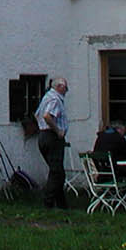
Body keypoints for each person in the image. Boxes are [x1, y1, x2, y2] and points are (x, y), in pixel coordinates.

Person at [34, 78, 70, 208]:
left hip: (43, 136)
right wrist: (58, 130)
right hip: (52, 137)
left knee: (58, 172)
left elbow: (37, 114)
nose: (66, 91)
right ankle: (48, 202)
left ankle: (61, 204)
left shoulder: (46, 97)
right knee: (56, 172)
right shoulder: (55, 99)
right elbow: (47, 116)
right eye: (65, 87)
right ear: (59, 87)